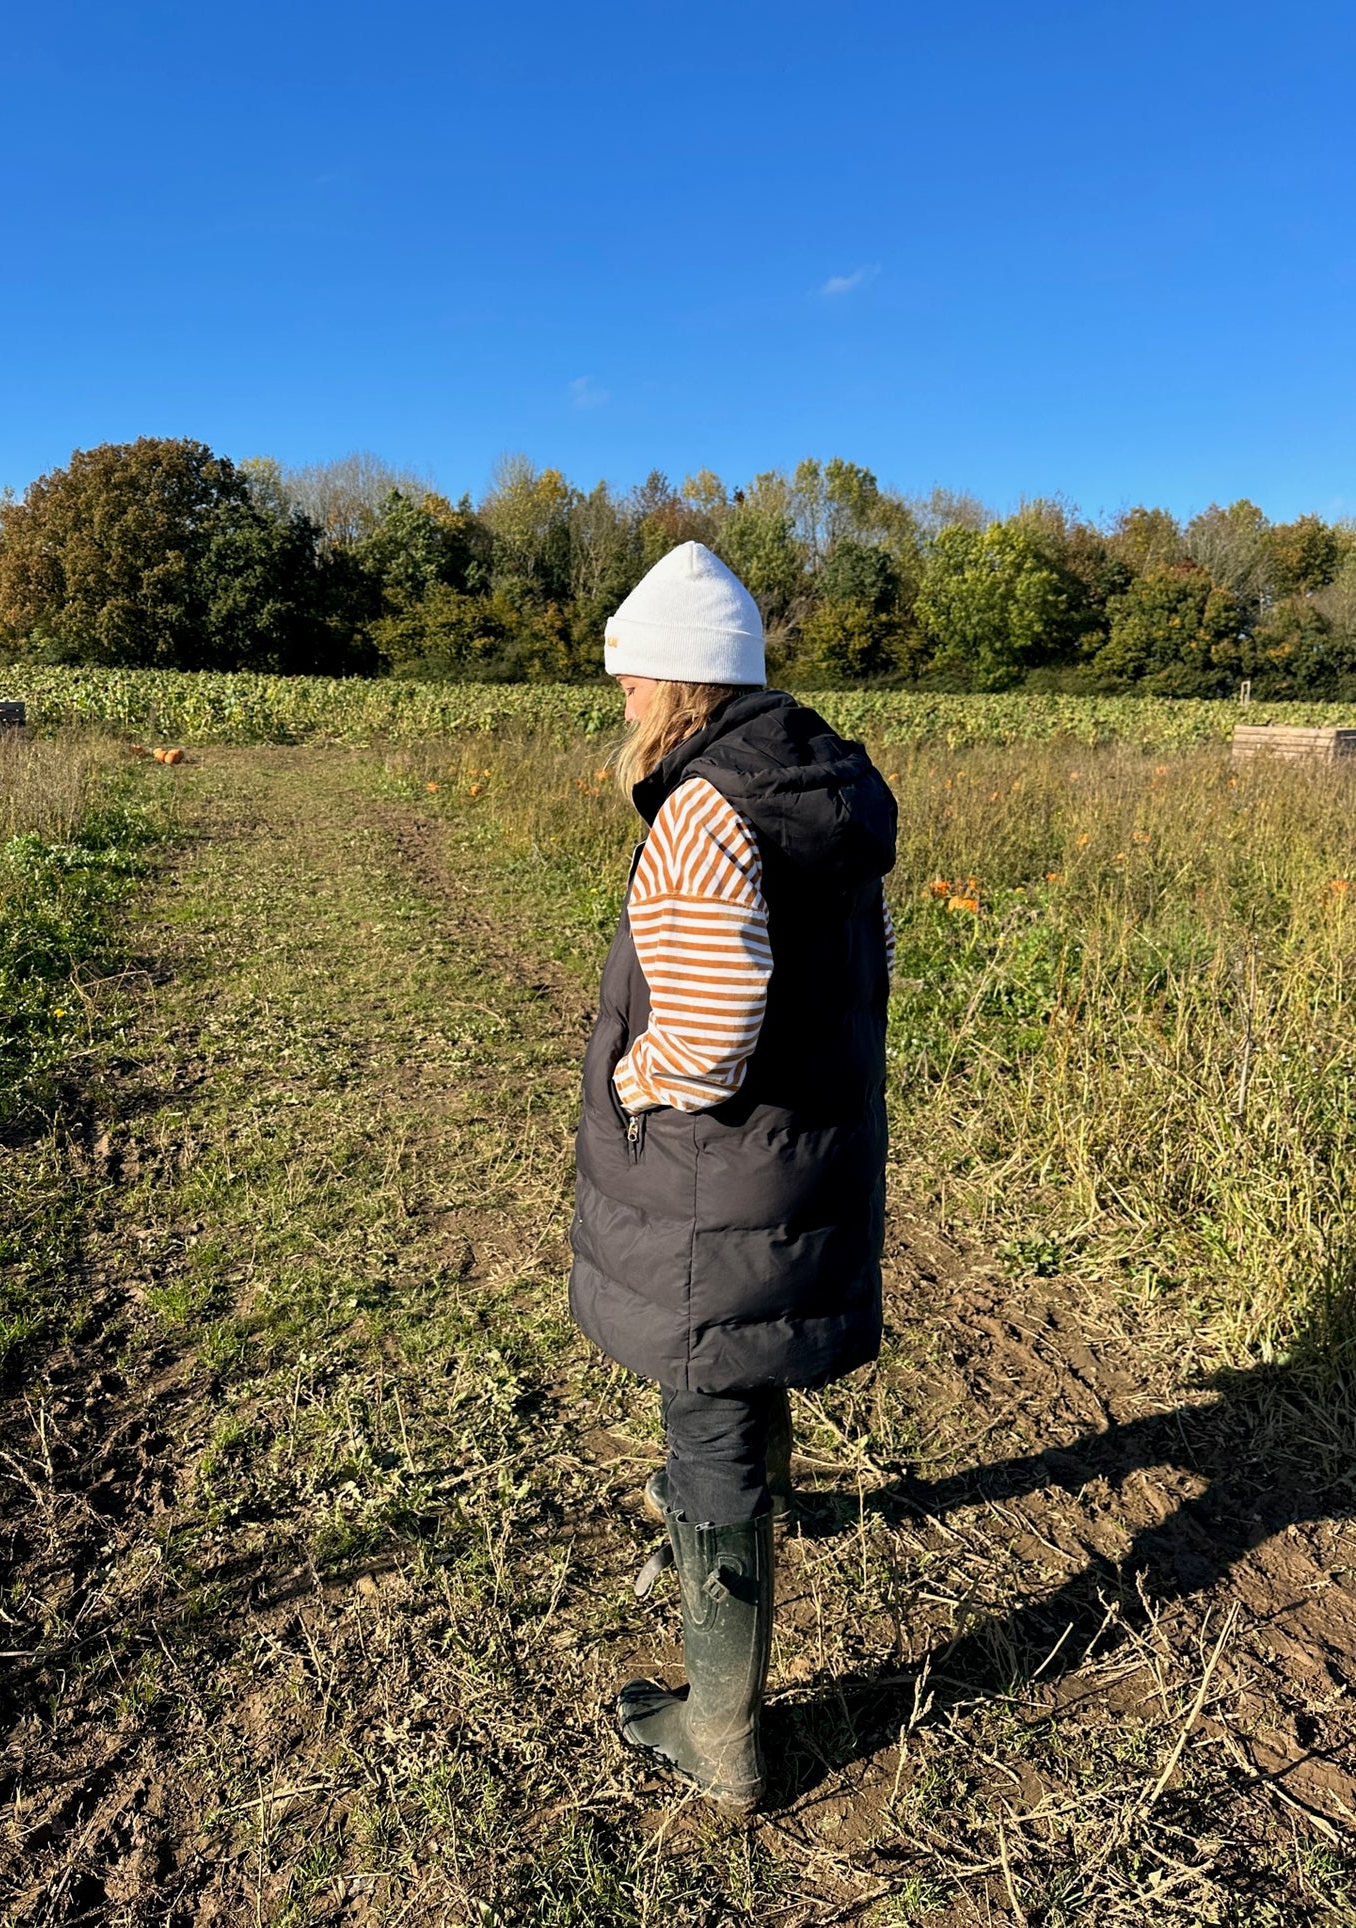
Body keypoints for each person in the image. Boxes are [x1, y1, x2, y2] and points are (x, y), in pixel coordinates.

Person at [569, 540, 897, 1808]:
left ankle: (719, 1734)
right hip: (799, 1152)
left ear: (678, 683)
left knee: (703, 1393)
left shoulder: (705, 810)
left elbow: (705, 1037)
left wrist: (634, 1081)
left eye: (632, 683)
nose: (626, 707)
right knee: (741, 1369)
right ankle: (736, 1527)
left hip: (720, 1174)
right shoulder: (811, 784)